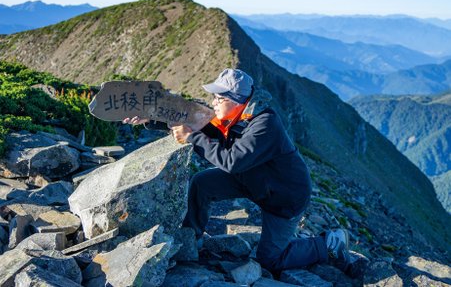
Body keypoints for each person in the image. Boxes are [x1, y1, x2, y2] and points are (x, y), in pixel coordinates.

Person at [123, 68, 351, 274]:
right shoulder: (230, 115)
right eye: (214, 97)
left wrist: (192, 138)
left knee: (270, 260)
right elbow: (193, 122)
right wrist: (151, 119)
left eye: (219, 98)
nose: (213, 103)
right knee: (202, 183)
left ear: (238, 101)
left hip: (283, 196)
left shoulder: (264, 125)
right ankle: (191, 238)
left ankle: (329, 243)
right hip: (251, 180)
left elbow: (231, 162)